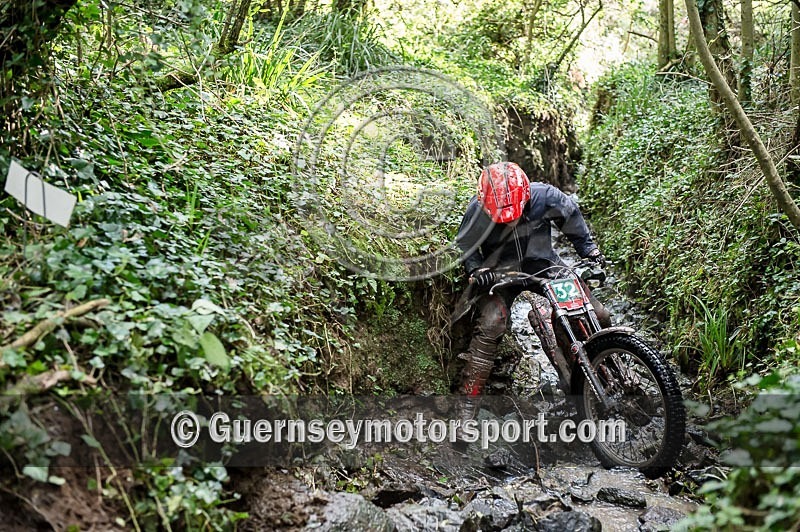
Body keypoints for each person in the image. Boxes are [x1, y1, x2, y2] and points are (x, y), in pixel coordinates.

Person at [453, 161, 611, 423]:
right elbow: (466, 244)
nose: (511, 220)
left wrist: (589, 251)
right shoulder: (478, 210)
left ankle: (603, 370)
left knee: (597, 312)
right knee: (491, 323)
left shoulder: (545, 196)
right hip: (500, 276)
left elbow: (571, 216)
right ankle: (467, 407)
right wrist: (476, 270)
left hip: (544, 267)